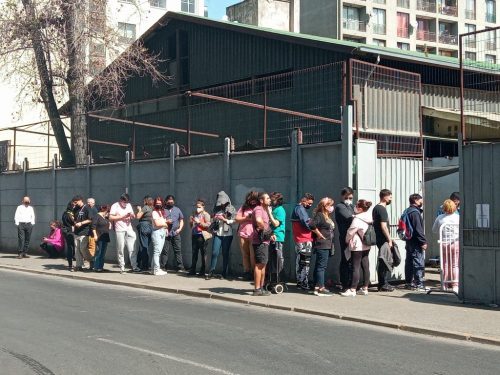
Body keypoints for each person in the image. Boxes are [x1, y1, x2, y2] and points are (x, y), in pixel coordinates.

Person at [341, 199, 373, 297]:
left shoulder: (357, 219)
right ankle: (365, 288)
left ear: (359, 208)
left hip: (357, 245)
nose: (354, 207)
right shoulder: (369, 216)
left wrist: (346, 240)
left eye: (356, 206)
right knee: (366, 265)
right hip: (367, 244)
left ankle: (353, 289)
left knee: (356, 267)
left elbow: (350, 232)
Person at [432, 199, 460, 293]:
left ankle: (444, 284)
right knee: (455, 264)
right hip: (455, 243)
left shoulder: (440, 217)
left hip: (444, 243)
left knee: (445, 264)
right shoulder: (458, 217)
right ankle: (455, 284)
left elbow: (434, 230)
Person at [310, 197, 336, 296]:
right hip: (322, 244)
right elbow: (312, 224)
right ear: (325, 206)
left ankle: (317, 286)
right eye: (330, 205)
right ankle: (321, 287)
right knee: (321, 266)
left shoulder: (327, 216)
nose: (331, 207)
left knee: (319, 266)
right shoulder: (320, 215)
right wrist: (319, 234)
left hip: (327, 244)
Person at [207, 191, 236, 280]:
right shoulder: (215, 208)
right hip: (217, 233)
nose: (222, 204)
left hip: (228, 234)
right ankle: (211, 272)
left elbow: (235, 221)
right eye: (220, 202)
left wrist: (225, 219)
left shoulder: (232, 208)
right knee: (215, 252)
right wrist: (214, 218)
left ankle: (224, 273)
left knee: (225, 253)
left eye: (223, 202)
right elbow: (211, 219)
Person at [252, 192, 275, 296]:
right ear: (261, 200)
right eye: (267, 198)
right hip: (260, 241)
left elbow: (264, 223)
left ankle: (261, 288)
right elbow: (258, 220)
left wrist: (270, 235)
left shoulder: (265, 210)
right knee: (259, 265)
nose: (269, 199)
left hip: (265, 241)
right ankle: (257, 289)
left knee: (263, 264)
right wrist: (266, 231)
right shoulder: (258, 209)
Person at [109, 193, 139, 274]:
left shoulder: (129, 205)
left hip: (129, 228)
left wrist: (132, 216)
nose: (125, 204)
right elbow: (111, 217)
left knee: (132, 248)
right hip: (120, 229)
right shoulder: (115, 206)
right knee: (120, 248)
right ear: (121, 200)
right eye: (124, 202)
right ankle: (122, 267)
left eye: (126, 202)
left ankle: (134, 266)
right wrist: (122, 217)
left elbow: (133, 215)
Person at [291, 193, 315, 290]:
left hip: (299, 239)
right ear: (304, 200)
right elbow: (307, 223)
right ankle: (304, 283)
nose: (310, 205)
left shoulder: (297, 208)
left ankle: (300, 282)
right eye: (309, 203)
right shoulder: (301, 209)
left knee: (300, 261)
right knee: (305, 262)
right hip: (304, 239)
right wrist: (314, 227)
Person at [405, 194, 428, 292]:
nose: (422, 202)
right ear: (415, 200)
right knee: (418, 262)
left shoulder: (407, 211)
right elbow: (418, 229)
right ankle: (419, 284)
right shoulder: (415, 213)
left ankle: (408, 283)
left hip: (409, 240)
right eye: (420, 200)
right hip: (415, 241)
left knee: (409, 262)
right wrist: (423, 241)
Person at [373, 189, 395, 292]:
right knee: (384, 261)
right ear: (384, 197)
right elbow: (383, 226)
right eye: (390, 197)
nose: (391, 199)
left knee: (383, 260)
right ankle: (383, 284)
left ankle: (383, 283)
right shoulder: (381, 209)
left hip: (380, 238)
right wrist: (389, 239)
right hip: (383, 239)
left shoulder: (377, 208)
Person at [235, 191, 259, 281]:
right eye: (251, 199)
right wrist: (246, 218)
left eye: (254, 200)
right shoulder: (243, 208)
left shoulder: (258, 208)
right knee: (245, 254)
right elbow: (237, 219)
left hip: (254, 234)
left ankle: (254, 272)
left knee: (253, 255)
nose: (252, 201)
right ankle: (247, 272)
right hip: (243, 233)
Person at [335, 187, 355, 291]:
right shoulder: (340, 206)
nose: (349, 199)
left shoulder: (351, 206)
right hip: (345, 237)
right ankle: (345, 283)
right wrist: (355, 215)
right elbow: (350, 218)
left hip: (353, 237)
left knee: (352, 260)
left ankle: (351, 281)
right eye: (347, 197)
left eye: (351, 197)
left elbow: (356, 215)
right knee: (346, 260)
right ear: (342, 196)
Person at [161, 195, 186, 272]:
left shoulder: (177, 209)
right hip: (166, 233)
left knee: (178, 250)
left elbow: (181, 220)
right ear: (166, 202)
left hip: (176, 233)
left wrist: (180, 229)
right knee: (165, 251)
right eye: (169, 201)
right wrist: (166, 222)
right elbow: (159, 221)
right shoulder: (163, 210)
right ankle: (163, 266)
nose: (171, 203)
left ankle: (180, 267)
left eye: (172, 201)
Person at [188, 199, 211, 276]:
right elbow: (191, 226)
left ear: (203, 207)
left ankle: (202, 271)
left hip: (202, 236)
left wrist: (199, 222)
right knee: (194, 253)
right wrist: (191, 222)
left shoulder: (206, 214)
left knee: (203, 253)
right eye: (197, 207)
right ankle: (193, 270)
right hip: (195, 235)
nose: (198, 208)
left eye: (199, 207)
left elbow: (208, 225)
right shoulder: (194, 214)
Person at [269, 192, 286, 284]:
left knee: (278, 259)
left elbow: (276, 223)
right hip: (271, 237)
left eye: (273, 199)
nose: (271, 201)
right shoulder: (274, 209)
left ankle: (279, 279)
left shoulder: (280, 210)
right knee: (272, 259)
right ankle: (273, 278)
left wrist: (269, 214)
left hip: (277, 237)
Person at [74, 196, 94, 271]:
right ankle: (79, 265)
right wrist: (75, 223)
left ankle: (91, 260)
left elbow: (90, 219)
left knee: (83, 249)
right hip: (76, 232)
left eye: (76, 202)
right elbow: (75, 218)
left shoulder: (87, 208)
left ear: (80, 200)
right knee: (77, 250)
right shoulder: (76, 208)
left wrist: (81, 223)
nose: (75, 204)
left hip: (84, 232)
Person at [61, 196, 81, 271]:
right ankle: (71, 265)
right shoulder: (69, 213)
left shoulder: (65, 212)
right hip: (69, 232)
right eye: (74, 205)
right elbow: (73, 222)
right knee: (72, 248)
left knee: (72, 247)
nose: (75, 206)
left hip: (67, 231)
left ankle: (72, 264)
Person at [151, 197, 169, 276]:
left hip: (162, 232)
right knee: (157, 252)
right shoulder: (154, 212)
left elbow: (162, 222)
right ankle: (156, 269)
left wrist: (166, 228)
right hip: (157, 232)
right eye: (157, 203)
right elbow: (157, 224)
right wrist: (165, 224)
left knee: (158, 252)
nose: (158, 205)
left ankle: (153, 269)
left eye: (160, 203)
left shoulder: (162, 212)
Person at [136, 196, 154, 271]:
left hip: (144, 226)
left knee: (144, 247)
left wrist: (139, 209)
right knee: (144, 246)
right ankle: (138, 262)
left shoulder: (145, 207)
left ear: (146, 201)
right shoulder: (152, 208)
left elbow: (138, 216)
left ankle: (145, 265)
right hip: (150, 227)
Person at [91, 205, 111, 272]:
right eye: (108, 211)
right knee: (99, 252)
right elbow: (93, 226)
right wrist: (95, 235)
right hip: (99, 236)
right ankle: (96, 267)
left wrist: (109, 225)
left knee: (103, 253)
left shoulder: (105, 217)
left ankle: (100, 267)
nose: (108, 213)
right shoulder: (97, 216)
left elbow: (107, 225)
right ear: (105, 210)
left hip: (105, 236)